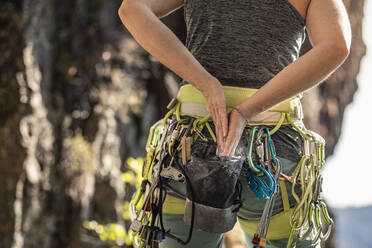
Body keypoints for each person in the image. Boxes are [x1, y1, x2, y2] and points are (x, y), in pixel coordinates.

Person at [118, 0, 351, 247]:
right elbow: (336, 46)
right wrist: (248, 109)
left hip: (192, 145)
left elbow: (132, 9)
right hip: (274, 154)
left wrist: (206, 84)